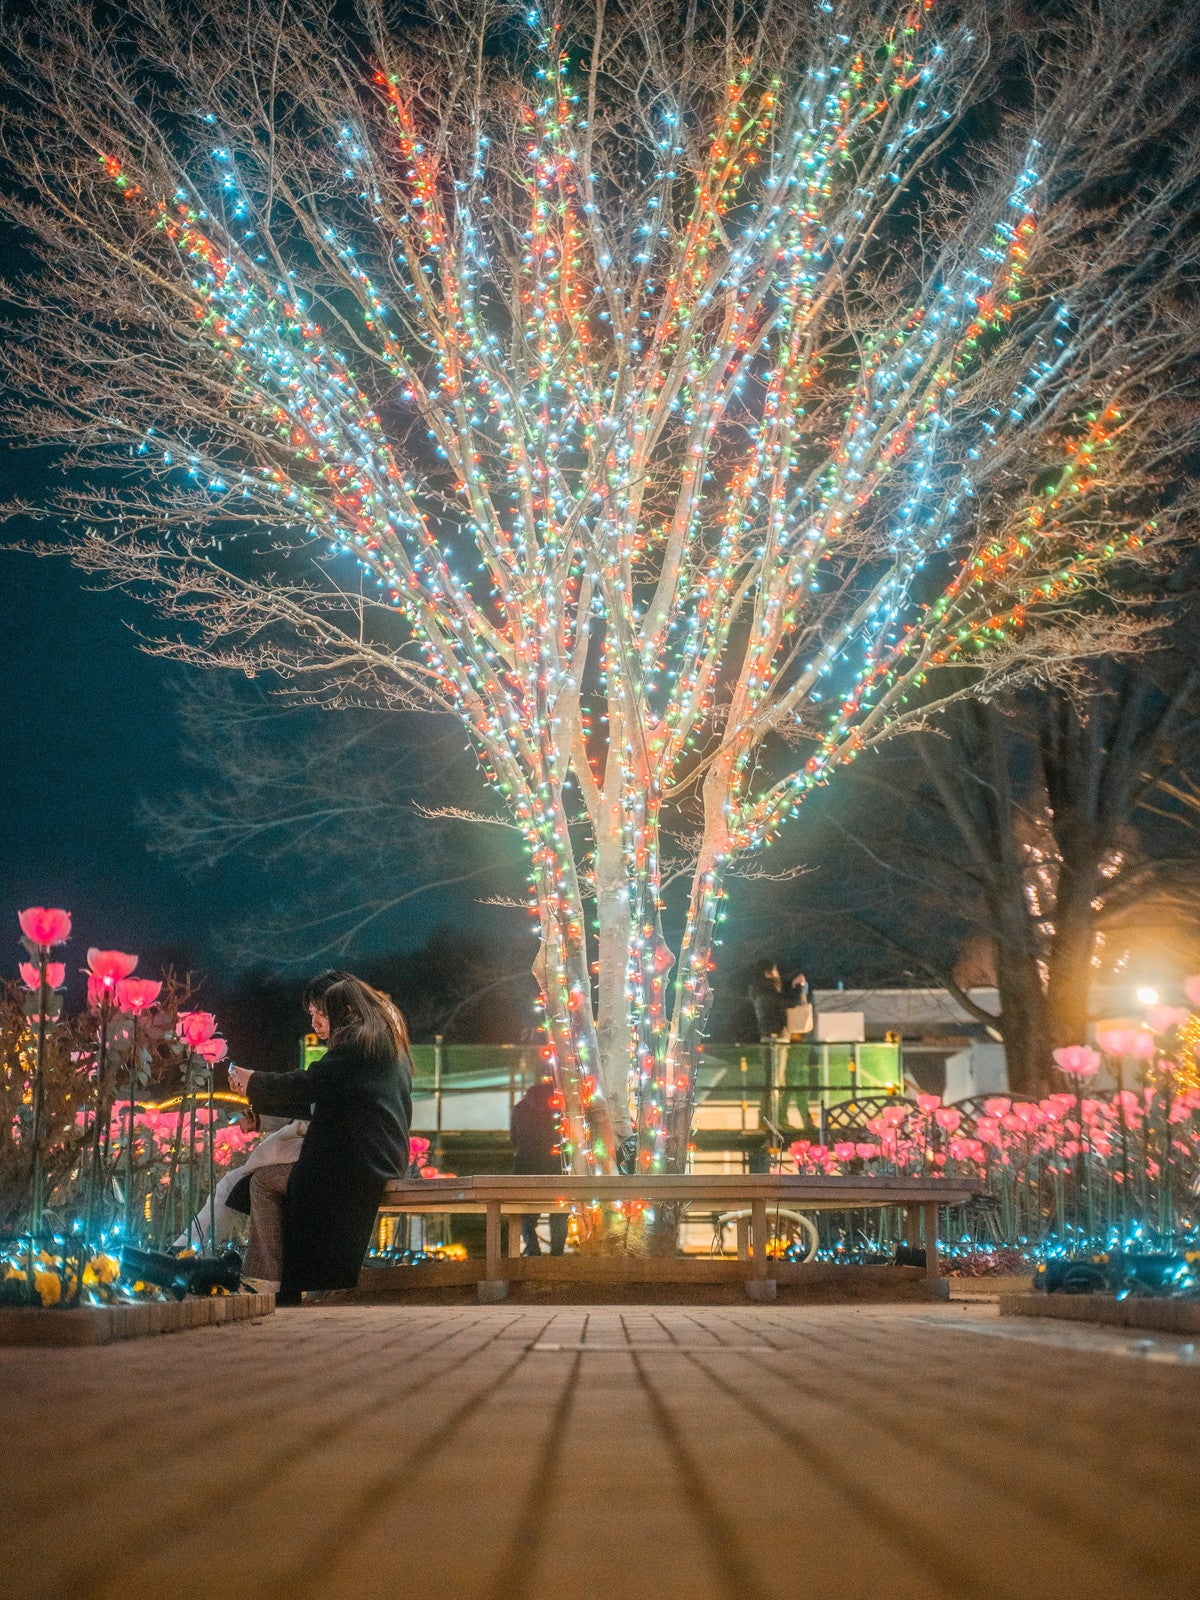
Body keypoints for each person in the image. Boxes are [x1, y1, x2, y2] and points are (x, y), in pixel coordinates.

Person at [227, 973, 412, 1304]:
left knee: (264, 1183)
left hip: (356, 1161)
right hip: (375, 1155)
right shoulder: (380, 1040)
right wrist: (261, 1112)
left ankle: (266, 1282)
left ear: (345, 1010)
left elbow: (310, 1084)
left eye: (322, 1013)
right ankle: (279, 1283)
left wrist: (254, 1081)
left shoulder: (357, 1045)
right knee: (278, 1183)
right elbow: (324, 1097)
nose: (314, 1023)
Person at [510, 1077, 566, 1256]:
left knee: (526, 1213)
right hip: (556, 1167)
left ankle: (533, 1251)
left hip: (527, 1167)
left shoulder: (521, 1108)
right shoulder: (560, 1108)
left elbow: (514, 1138)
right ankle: (557, 1255)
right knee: (559, 1213)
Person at [749, 961, 789, 1041]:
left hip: (768, 1034)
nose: (777, 972)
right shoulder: (768, 993)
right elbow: (792, 1003)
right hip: (776, 1036)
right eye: (775, 969)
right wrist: (800, 987)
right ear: (767, 973)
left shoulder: (759, 991)